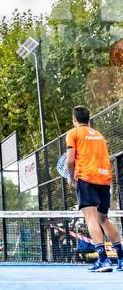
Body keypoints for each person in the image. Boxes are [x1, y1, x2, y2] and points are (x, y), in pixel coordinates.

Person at [66, 105, 123, 272]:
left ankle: (103, 260)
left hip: (86, 178)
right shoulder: (99, 135)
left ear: (74, 120)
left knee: (90, 218)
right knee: (103, 219)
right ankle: (121, 258)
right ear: (89, 120)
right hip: (104, 179)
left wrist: (71, 176)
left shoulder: (73, 133)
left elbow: (70, 161)